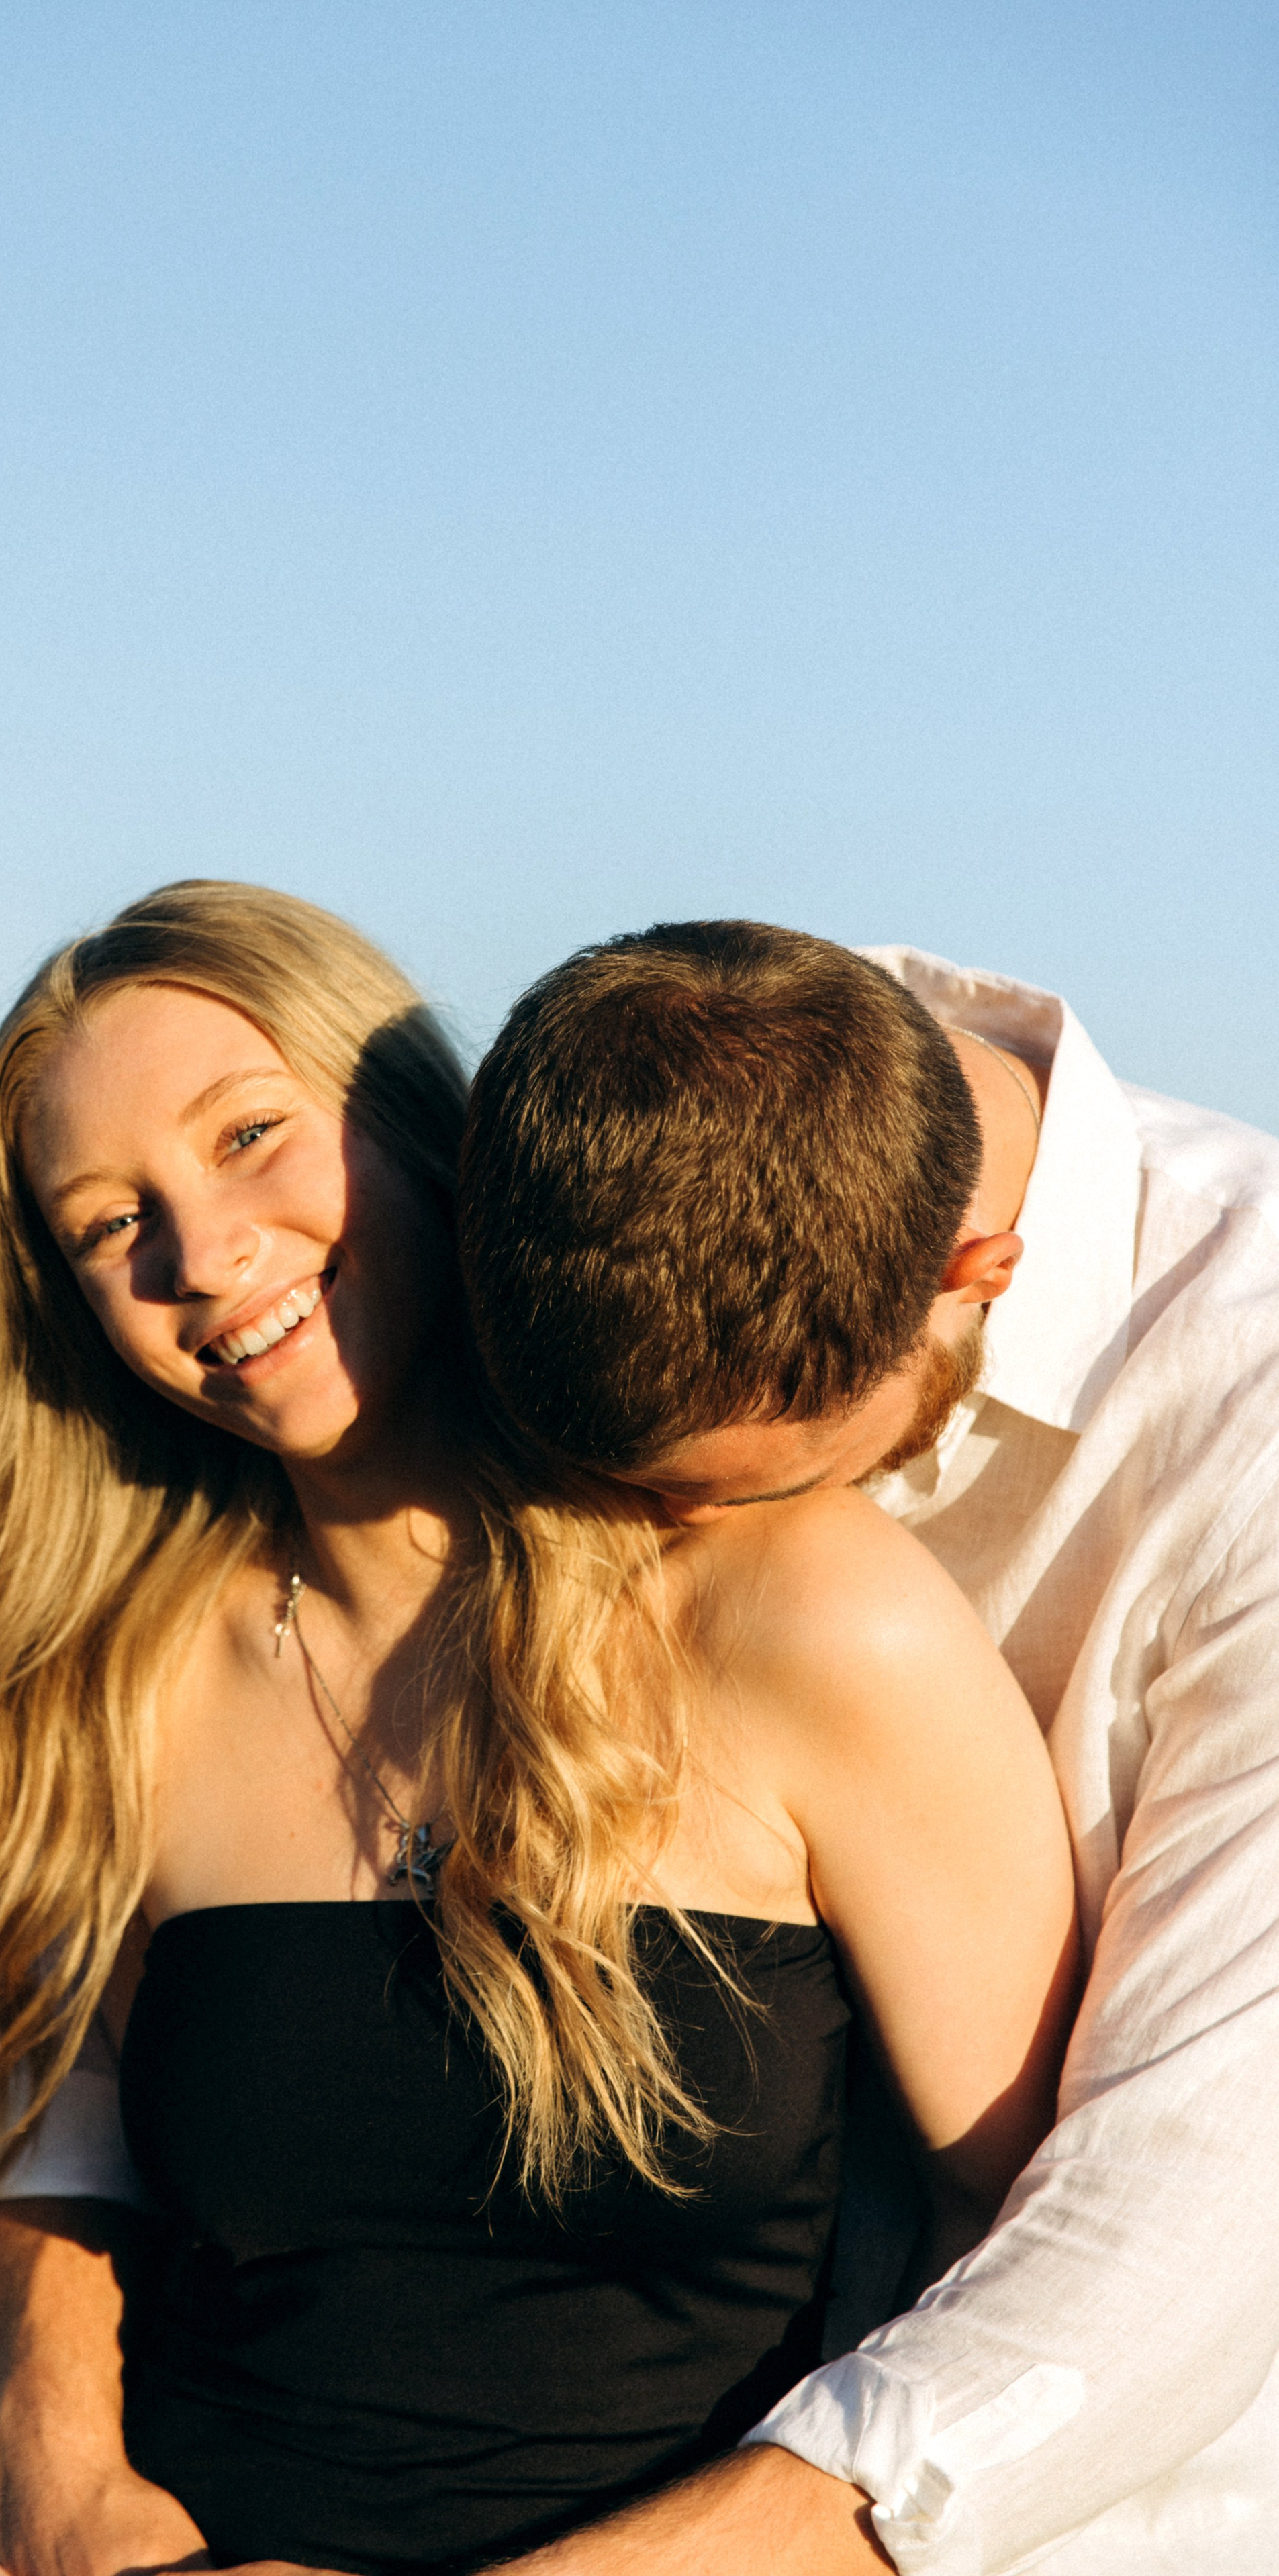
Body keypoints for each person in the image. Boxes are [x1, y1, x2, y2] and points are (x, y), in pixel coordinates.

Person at [0, 884, 1074, 2576]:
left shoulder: (802, 1613)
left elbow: (1020, 2254)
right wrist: (56, 2457)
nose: (201, 1256)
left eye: (250, 1134)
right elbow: (72, 2133)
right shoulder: (117, 1680)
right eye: (102, 1222)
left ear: (414, 1121)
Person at [448, 919, 1279, 2574]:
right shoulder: (641, 1135)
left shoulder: (1242, 1394)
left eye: (736, 1494)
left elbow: (1196, 2206)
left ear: (973, 1273)